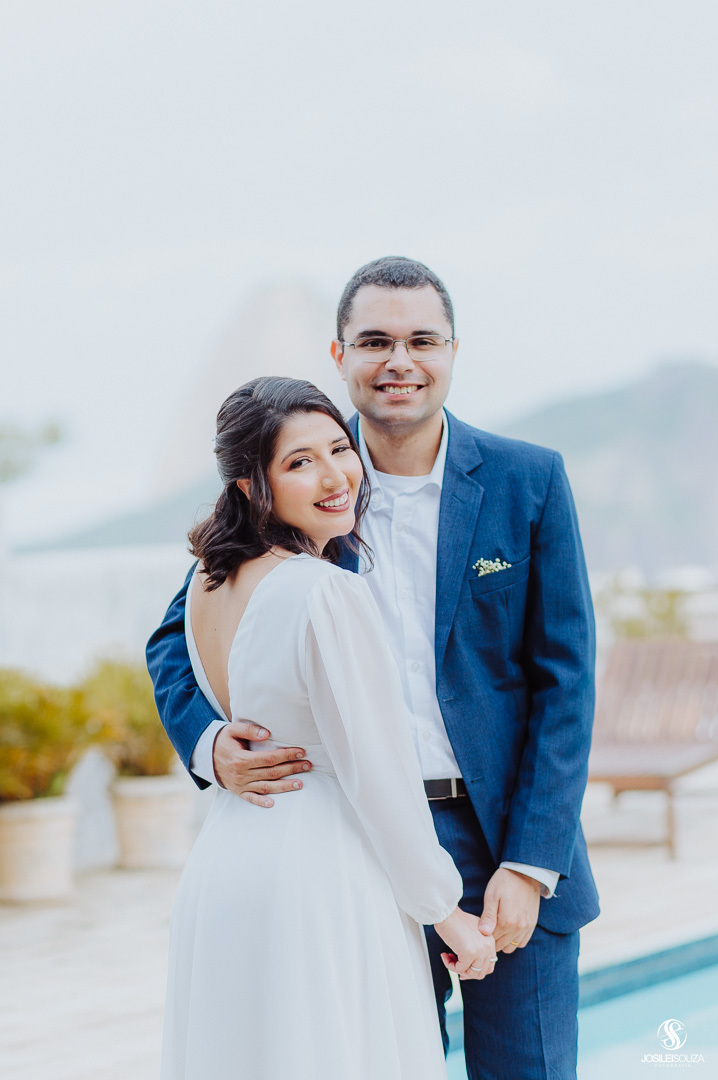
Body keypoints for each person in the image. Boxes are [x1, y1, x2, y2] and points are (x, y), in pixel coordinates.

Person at [148, 257, 600, 1080]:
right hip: (355, 844)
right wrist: (210, 743)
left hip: (506, 842)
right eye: (376, 341)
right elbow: (174, 636)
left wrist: (532, 864)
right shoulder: (294, 485)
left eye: (422, 339)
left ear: (453, 351)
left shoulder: (527, 480)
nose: (400, 360)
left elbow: (564, 680)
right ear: (340, 355)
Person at [156, 375, 497, 1080]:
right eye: (298, 462)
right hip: (322, 872)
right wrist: (446, 910)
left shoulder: (208, 582)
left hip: (226, 861)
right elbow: (379, 777)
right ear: (252, 486)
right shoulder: (325, 590)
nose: (335, 475)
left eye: (338, 449)